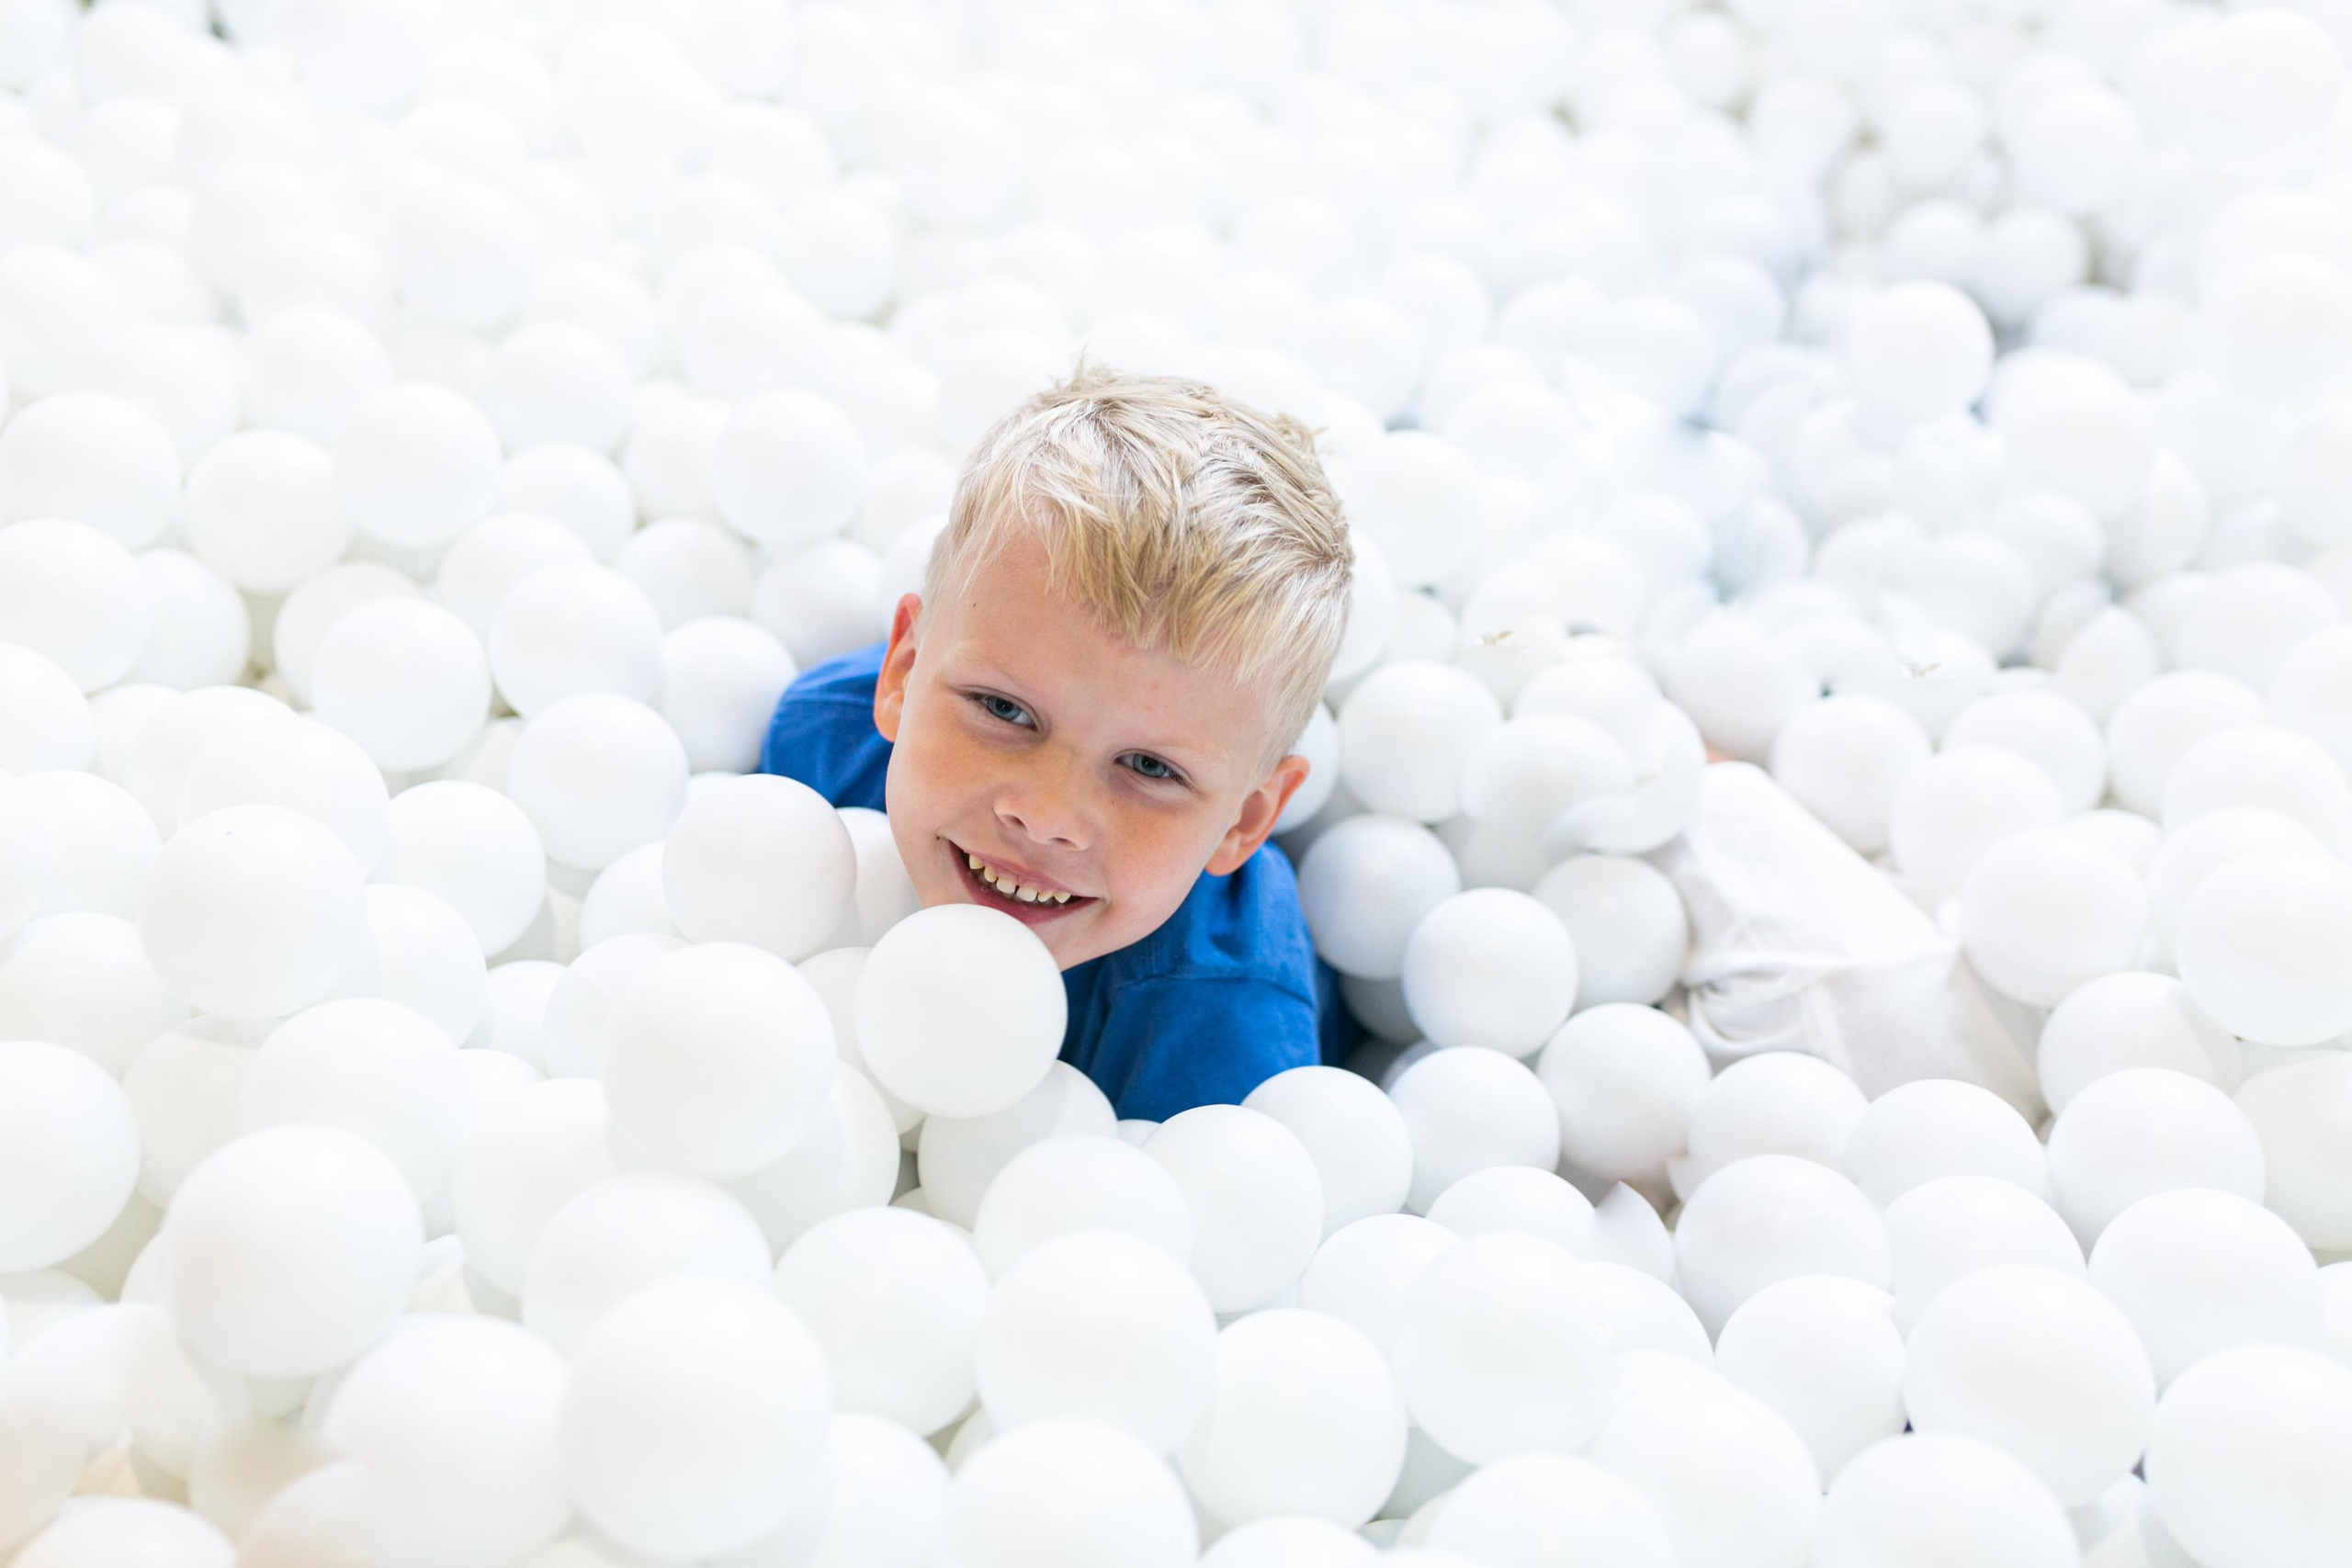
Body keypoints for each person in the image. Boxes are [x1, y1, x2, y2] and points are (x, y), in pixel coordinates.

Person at [762, 364, 1355, 1122]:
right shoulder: (819, 747)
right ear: (902, 674)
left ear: (1243, 823)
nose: (1045, 815)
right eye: (1004, 709)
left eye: (1148, 767)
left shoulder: (1218, 1026)